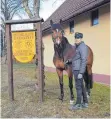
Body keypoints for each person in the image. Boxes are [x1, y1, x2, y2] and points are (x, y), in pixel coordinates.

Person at [65, 32, 88, 110]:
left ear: (81, 39)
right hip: (75, 69)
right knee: (81, 85)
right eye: (75, 38)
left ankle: (78, 104)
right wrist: (69, 61)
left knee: (78, 86)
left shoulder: (83, 47)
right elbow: (76, 57)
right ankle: (85, 102)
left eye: (78, 38)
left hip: (78, 70)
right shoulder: (77, 47)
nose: (76, 39)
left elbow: (84, 60)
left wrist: (81, 72)